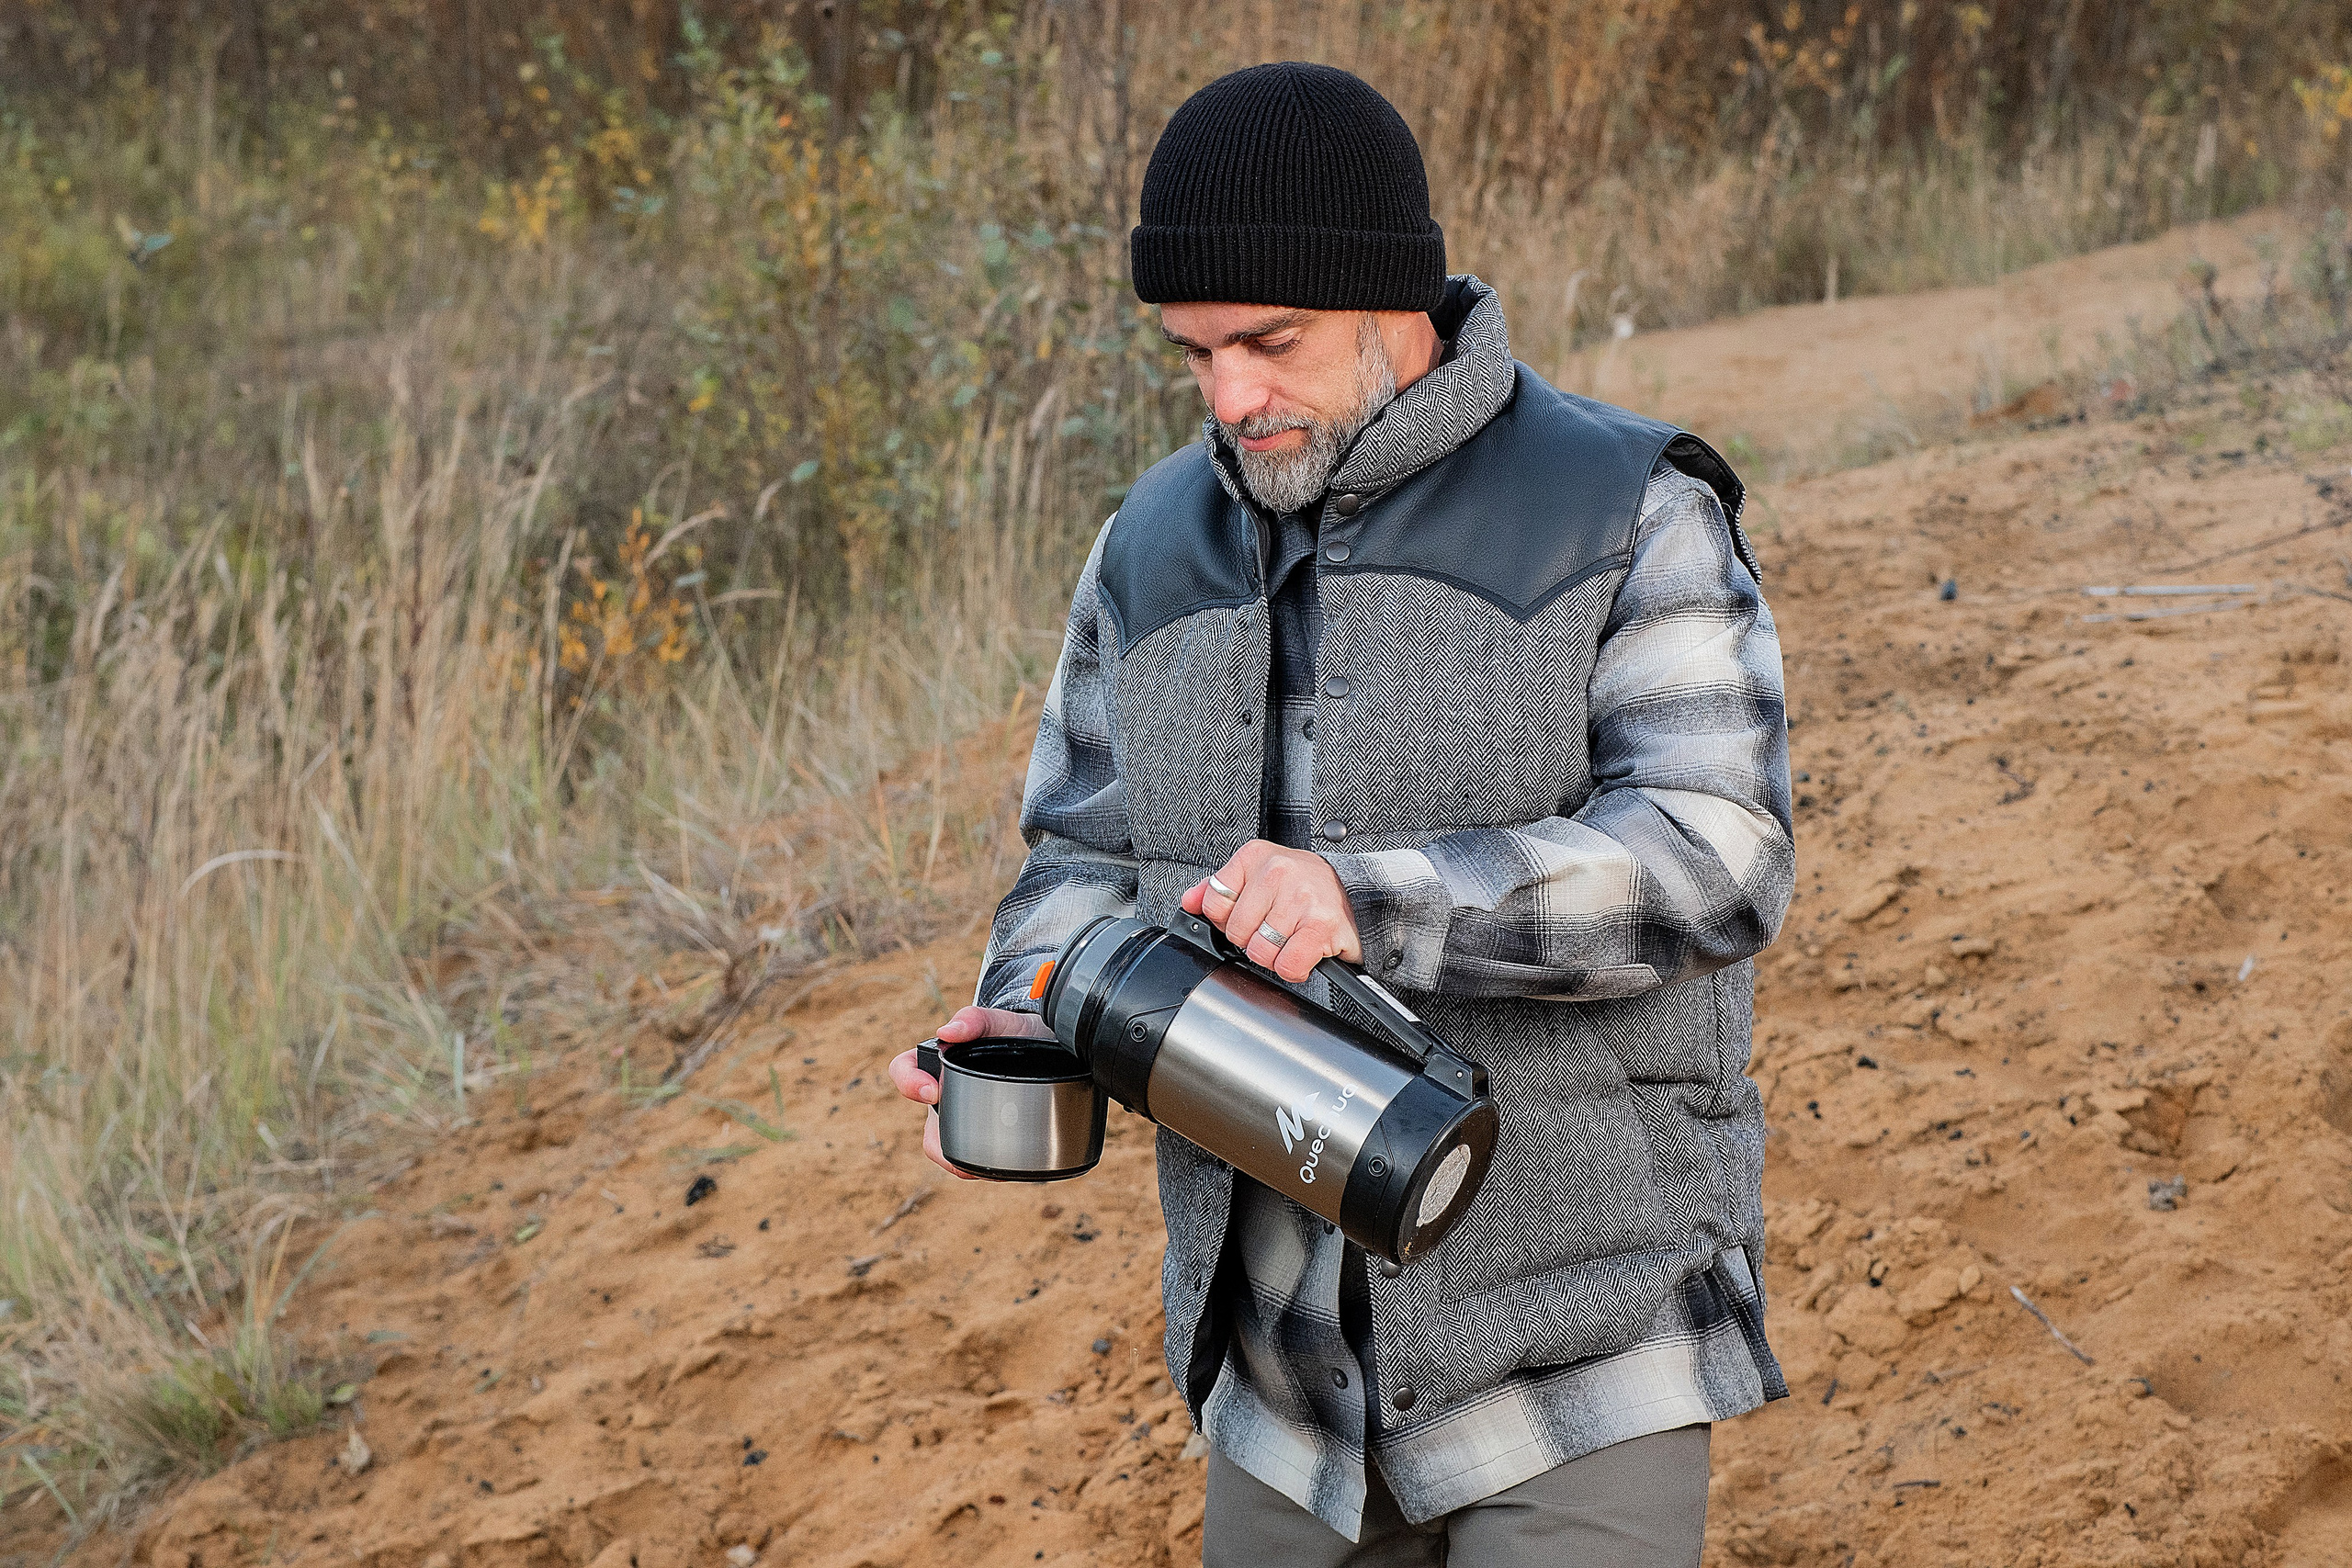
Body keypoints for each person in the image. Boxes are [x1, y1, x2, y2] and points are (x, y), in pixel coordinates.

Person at [889, 61, 1793, 1567]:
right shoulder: (1147, 546)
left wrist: (1368, 905)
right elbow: (1081, 854)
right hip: (1278, 1391)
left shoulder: (1631, 506)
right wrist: (1028, 1018)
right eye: (1193, 354)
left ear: (1397, 298)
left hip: (1583, 1344)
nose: (1231, 396)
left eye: (1270, 342)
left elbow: (1720, 855)